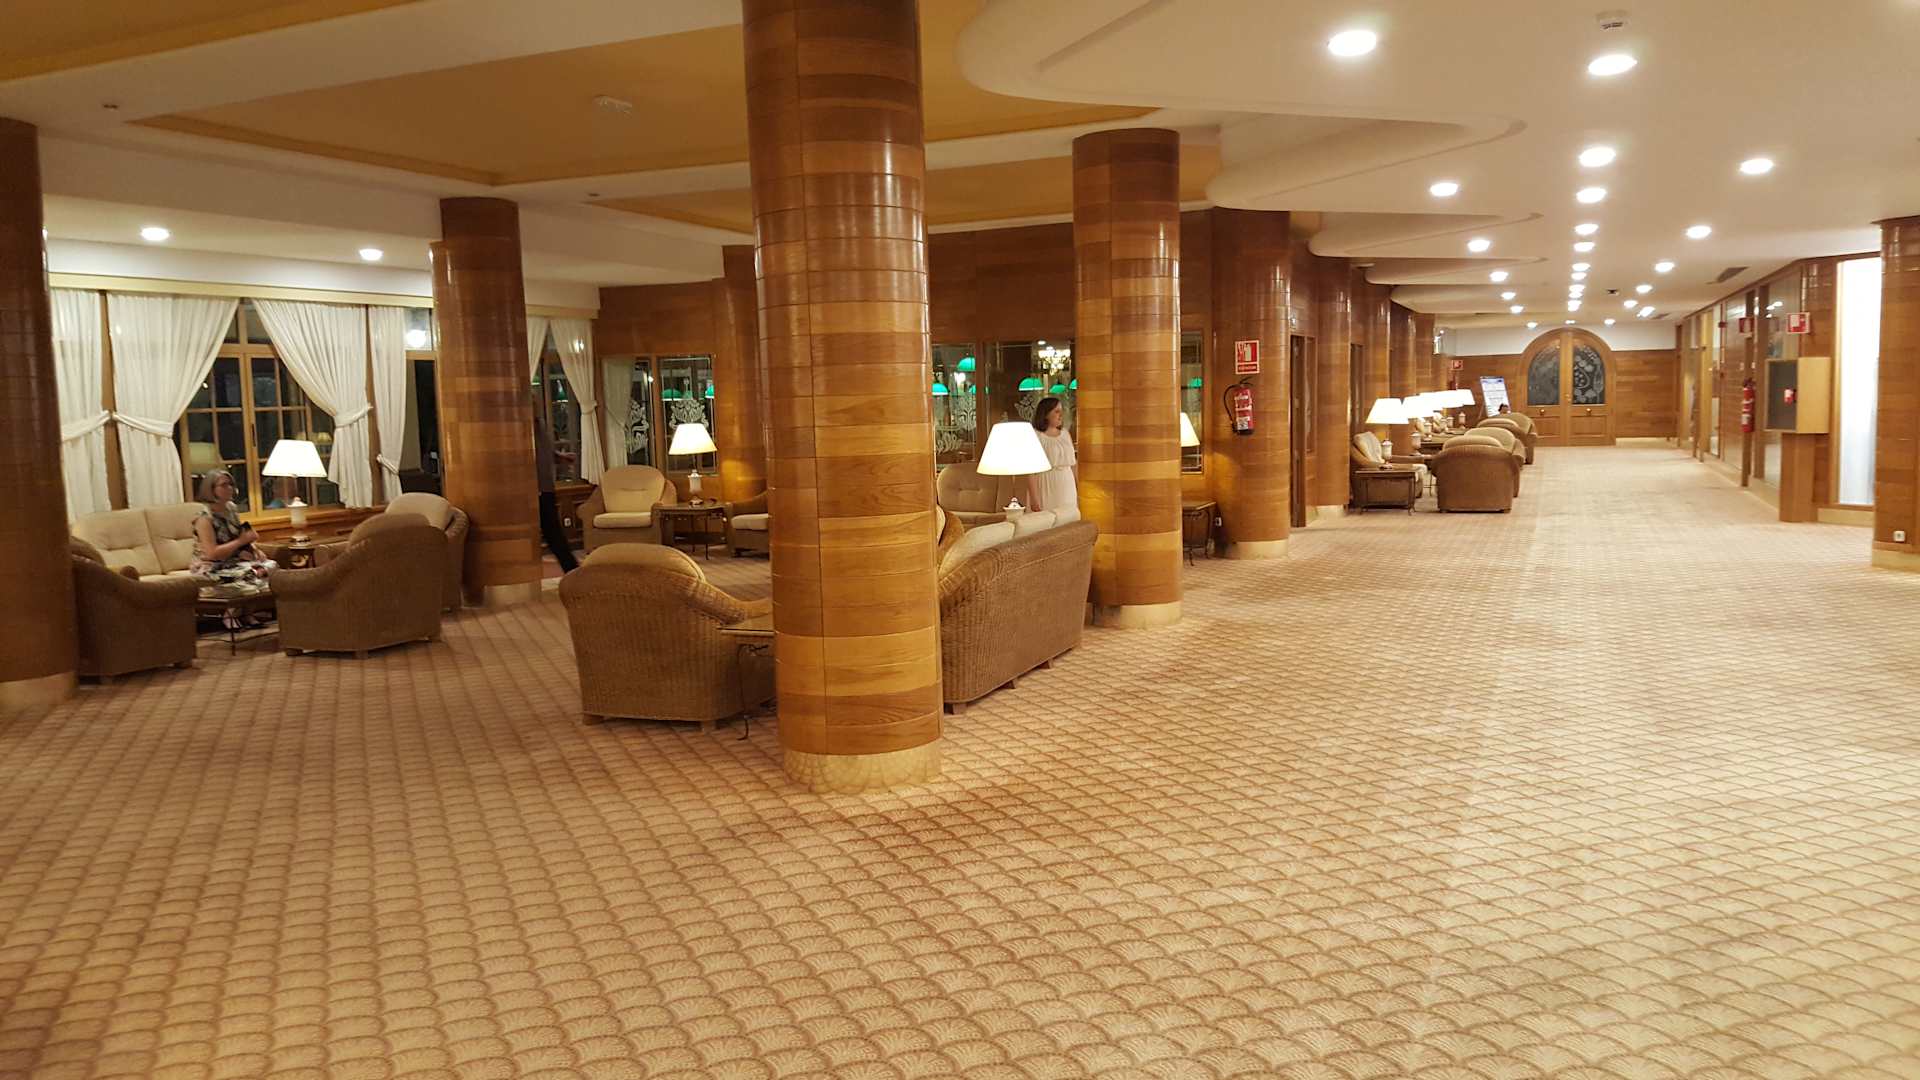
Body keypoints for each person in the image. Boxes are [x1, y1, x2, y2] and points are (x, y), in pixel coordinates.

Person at [191, 469, 275, 580]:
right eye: (224, 485)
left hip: (234, 561)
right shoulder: (204, 517)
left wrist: (255, 550)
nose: (230, 488)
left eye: (230, 484)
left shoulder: (231, 508)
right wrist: (241, 541)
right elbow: (212, 554)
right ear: (211, 489)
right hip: (210, 566)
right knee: (252, 575)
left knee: (272, 567)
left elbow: (239, 535)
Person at [1025, 395, 1078, 516]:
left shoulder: (1065, 434)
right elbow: (1031, 471)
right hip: (1045, 484)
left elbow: (1073, 464)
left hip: (1067, 485)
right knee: (1045, 520)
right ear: (1046, 414)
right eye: (1057, 411)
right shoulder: (1036, 436)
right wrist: (1034, 498)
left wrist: (1079, 487)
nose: (1061, 415)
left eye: (1061, 411)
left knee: (1067, 520)